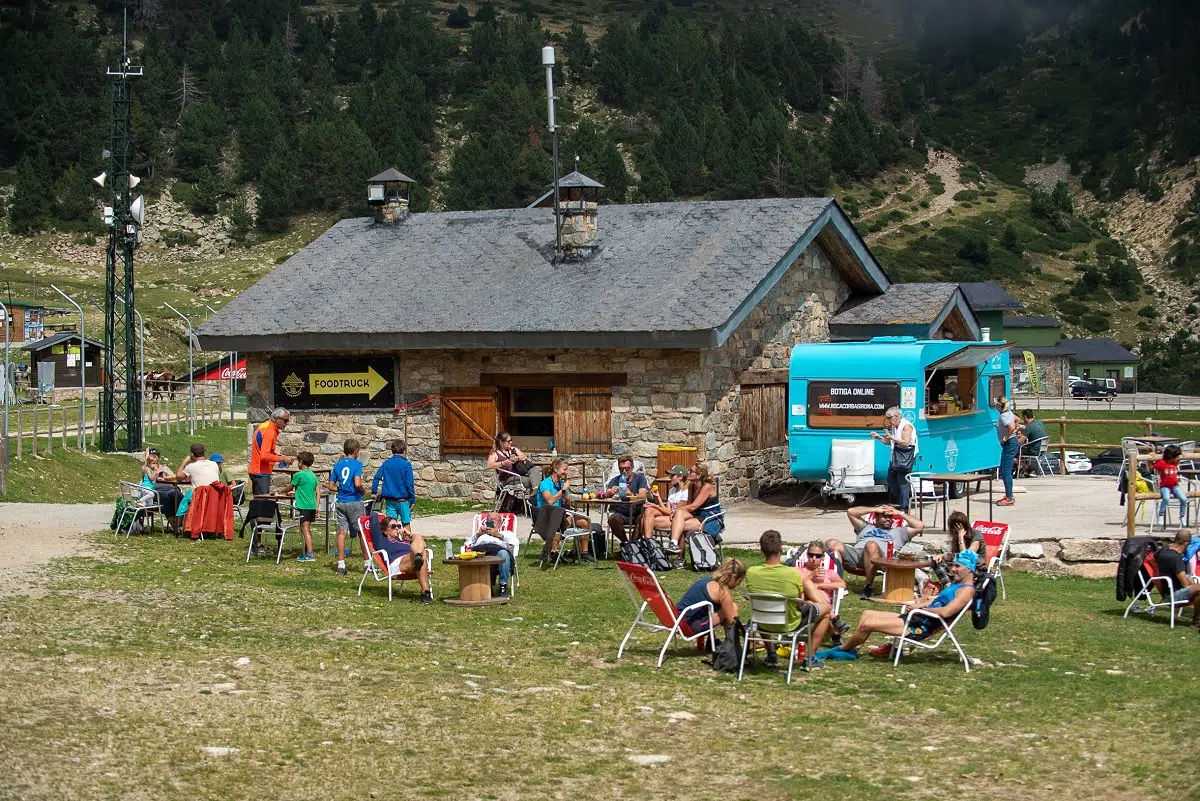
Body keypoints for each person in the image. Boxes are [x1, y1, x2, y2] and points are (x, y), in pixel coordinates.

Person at [815, 550, 979, 662]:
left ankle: (839, 650)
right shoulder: (956, 586)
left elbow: (946, 611)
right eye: (954, 565)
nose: (953, 569)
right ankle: (852, 651)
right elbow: (935, 600)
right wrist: (921, 601)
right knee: (866, 613)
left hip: (919, 626)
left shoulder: (966, 591)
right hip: (916, 618)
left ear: (969, 570)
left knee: (866, 625)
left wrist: (920, 609)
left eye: (958, 566)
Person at [745, 530, 831, 669]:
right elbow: (797, 601)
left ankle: (771, 654)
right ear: (780, 549)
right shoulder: (792, 573)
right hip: (789, 623)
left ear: (761, 550)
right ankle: (810, 658)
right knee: (826, 610)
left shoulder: (751, 572)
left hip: (761, 622)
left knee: (763, 607)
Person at [828, 504, 926, 600]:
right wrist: (875, 509)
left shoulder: (900, 532)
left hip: (880, 560)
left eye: (890, 517)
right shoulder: (865, 527)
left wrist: (899, 513)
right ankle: (839, 585)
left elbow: (920, 526)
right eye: (884, 516)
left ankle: (868, 586)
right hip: (857, 555)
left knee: (871, 545)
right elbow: (850, 512)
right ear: (876, 517)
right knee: (832, 543)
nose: (888, 519)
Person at [535, 457, 594, 564]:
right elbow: (550, 501)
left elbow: (565, 505)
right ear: (556, 469)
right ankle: (554, 552)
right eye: (564, 469)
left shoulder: (562, 483)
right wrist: (562, 491)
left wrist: (567, 500)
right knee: (558, 521)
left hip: (561, 514)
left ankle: (583, 553)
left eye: (567, 470)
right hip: (545, 516)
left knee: (585, 522)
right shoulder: (545, 483)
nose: (566, 472)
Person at [667, 463, 722, 567]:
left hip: (710, 518)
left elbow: (693, 506)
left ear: (699, 475)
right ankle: (674, 545)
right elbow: (688, 505)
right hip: (698, 515)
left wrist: (676, 512)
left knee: (679, 526)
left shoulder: (707, 487)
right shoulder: (691, 486)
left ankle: (680, 558)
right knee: (679, 517)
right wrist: (676, 513)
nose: (688, 472)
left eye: (691, 471)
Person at [675, 558, 746, 637]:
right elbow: (732, 623)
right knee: (732, 608)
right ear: (733, 577)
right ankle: (731, 645)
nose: (738, 585)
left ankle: (724, 643)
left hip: (676, 619)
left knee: (729, 608)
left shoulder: (706, 581)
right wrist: (747, 634)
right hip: (688, 625)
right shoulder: (722, 591)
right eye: (739, 581)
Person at [369, 515, 432, 604]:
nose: (397, 528)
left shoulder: (404, 541)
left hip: (411, 560)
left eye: (398, 526)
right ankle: (425, 591)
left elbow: (423, 544)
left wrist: (409, 534)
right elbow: (374, 519)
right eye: (393, 526)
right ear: (384, 530)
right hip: (396, 563)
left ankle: (418, 558)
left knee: (418, 539)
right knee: (422, 555)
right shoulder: (381, 540)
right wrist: (377, 510)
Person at [796, 541, 848, 645]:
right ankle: (834, 622)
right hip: (804, 604)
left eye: (818, 556)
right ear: (807, 555)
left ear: (823, 557)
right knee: (817, 605)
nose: (814, 558)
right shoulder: (798, 571)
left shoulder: (829, 572)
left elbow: (842, 585)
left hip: (819, 605)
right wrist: (811, 576)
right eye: (811, 555)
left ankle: (834, 633)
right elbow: (794, 586)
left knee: (817, 606)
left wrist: (820, 586)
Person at [329, 438, 366, 577]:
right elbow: (357, 483)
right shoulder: (357, 464)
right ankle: (367, 562)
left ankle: (341, 564)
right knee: (362, 531)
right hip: (354, 500)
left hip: (341, 502)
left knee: (342, 532)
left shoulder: (337, 465)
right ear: (356, 451)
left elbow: (331, 486)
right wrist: (362, 490)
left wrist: (341, 488)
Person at [871, 406, 918, 510]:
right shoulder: (894, 427)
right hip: (895, 459)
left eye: (889, 418)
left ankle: (904, 508)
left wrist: (892, 437)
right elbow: (890, 442)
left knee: (902, 484)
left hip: (905, 459)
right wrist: (878, 437)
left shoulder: (906, 426)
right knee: (891, 480)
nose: (888, 421)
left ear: (896, 417)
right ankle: (903, 503)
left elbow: (905, 443)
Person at [1155, 530, 1200, 630]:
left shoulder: (1163, 550)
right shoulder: (1176, 559)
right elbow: (1185, 584)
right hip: (1172, 596)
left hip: (1166, 591)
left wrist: (1160, 574)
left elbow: (1151, 560)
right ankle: (1197, 622)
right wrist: (1191, 581)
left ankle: (1197, 621)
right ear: (1186, 544)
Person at [465, 511, 515, 598]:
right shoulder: (480, 534)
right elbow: (467, 544)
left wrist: (499, 535)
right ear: (486, 522)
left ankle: (502, 586)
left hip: (498, 551)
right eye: (490, 520)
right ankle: (487, 586)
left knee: (503, 554)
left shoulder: (507, 533)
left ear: (500, 523)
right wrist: (477, 535)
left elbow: (513, 545)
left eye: (495, 520)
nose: (493, 521)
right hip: (481, 551)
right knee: (480, 555)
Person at [373, 439, 415, 536]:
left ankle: (392, 546)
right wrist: (412, 499)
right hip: (403, 500)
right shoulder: (406, 464)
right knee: (406, 525)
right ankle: (407, 547)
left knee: (391, 526)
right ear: (404, 450)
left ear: (392, 450)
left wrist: (374, 492)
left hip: (390, 500)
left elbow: (376, 477)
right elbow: (410, 484)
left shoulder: (386, 463)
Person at [249, 407, 294, 497]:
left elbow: (266, 452)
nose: (286, 423)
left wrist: (280, 458)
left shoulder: (265, 426)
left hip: (257, 471)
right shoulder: (269, 431)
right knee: (263, 504)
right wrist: (283, 459)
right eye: (285, 421)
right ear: (277, 419)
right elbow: (264, 456)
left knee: (258, 504)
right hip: (261, 472)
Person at [604, 456, 649, 544]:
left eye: (627, 469)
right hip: (621, 513)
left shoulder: (640, 479)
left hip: (637, 513)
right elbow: (606, 493)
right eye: (621, 469)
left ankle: (632, 544)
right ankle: (626, 543)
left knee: (644, 520)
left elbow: (643, 495)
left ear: (632, 468)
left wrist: (631, 494)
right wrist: (611, 491)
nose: (624, 471)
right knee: (613, 519)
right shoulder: (616, 479)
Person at [640, 465, 690, 541]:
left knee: (644, 521)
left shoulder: (686, 492)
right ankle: (649, 541)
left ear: (680, 477)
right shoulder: (672, 490)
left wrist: (655, 506)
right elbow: (667, 510)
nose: (670, 477)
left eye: (672, 475)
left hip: (677, 519)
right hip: (669, 516)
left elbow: (673, 513)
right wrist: (658, 497)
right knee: (649, 510)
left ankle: (648, 542)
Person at [142, 448, 182, 533]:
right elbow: (144, 469)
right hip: (157, 491)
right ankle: (175, 526)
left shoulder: (164, 468)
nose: (154, 459)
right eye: (151, 457)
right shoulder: (147, 469)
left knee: (178, 495)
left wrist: (166, 476)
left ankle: (180, 522)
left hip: (170, 488)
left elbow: (174, 477)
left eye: (156, 457)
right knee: (165, 498)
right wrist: (146, 459)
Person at [290, 451, 319, 563]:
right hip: (311, 505)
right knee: (306, 527)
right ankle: (308, 550)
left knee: (305, 528)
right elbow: (318, 490)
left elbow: (290, 487)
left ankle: (310, 554)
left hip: (304, 505)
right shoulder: (313, 475)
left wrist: (280, 491)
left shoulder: (299, 475)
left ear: (301, 462)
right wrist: (317, 505)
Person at [1153, 444, 1189, 528]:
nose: (1178, 458)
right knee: (1166, 497)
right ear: (1171, 457)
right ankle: (1161, 515)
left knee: (1184, 499)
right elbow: (1152, 465)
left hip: (1175, 486)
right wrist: (1152, 456)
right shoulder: (1162, 463)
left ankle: (1182, 515)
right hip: (1165, 486)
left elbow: (1181, 456)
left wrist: (1182, 453)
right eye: (1177, 456)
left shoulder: (1175, 462)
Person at [995, 396, 1018, 506]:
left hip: (1009, 443)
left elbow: (1011, 428)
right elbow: (1017, 420)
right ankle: (1009, 494)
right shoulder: (1009, 413)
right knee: (1004, 469)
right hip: (1012, 443)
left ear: (999, 405)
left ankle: (1009, 497)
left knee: (1005, 471)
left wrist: (1006, 437)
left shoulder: (1004, 416)